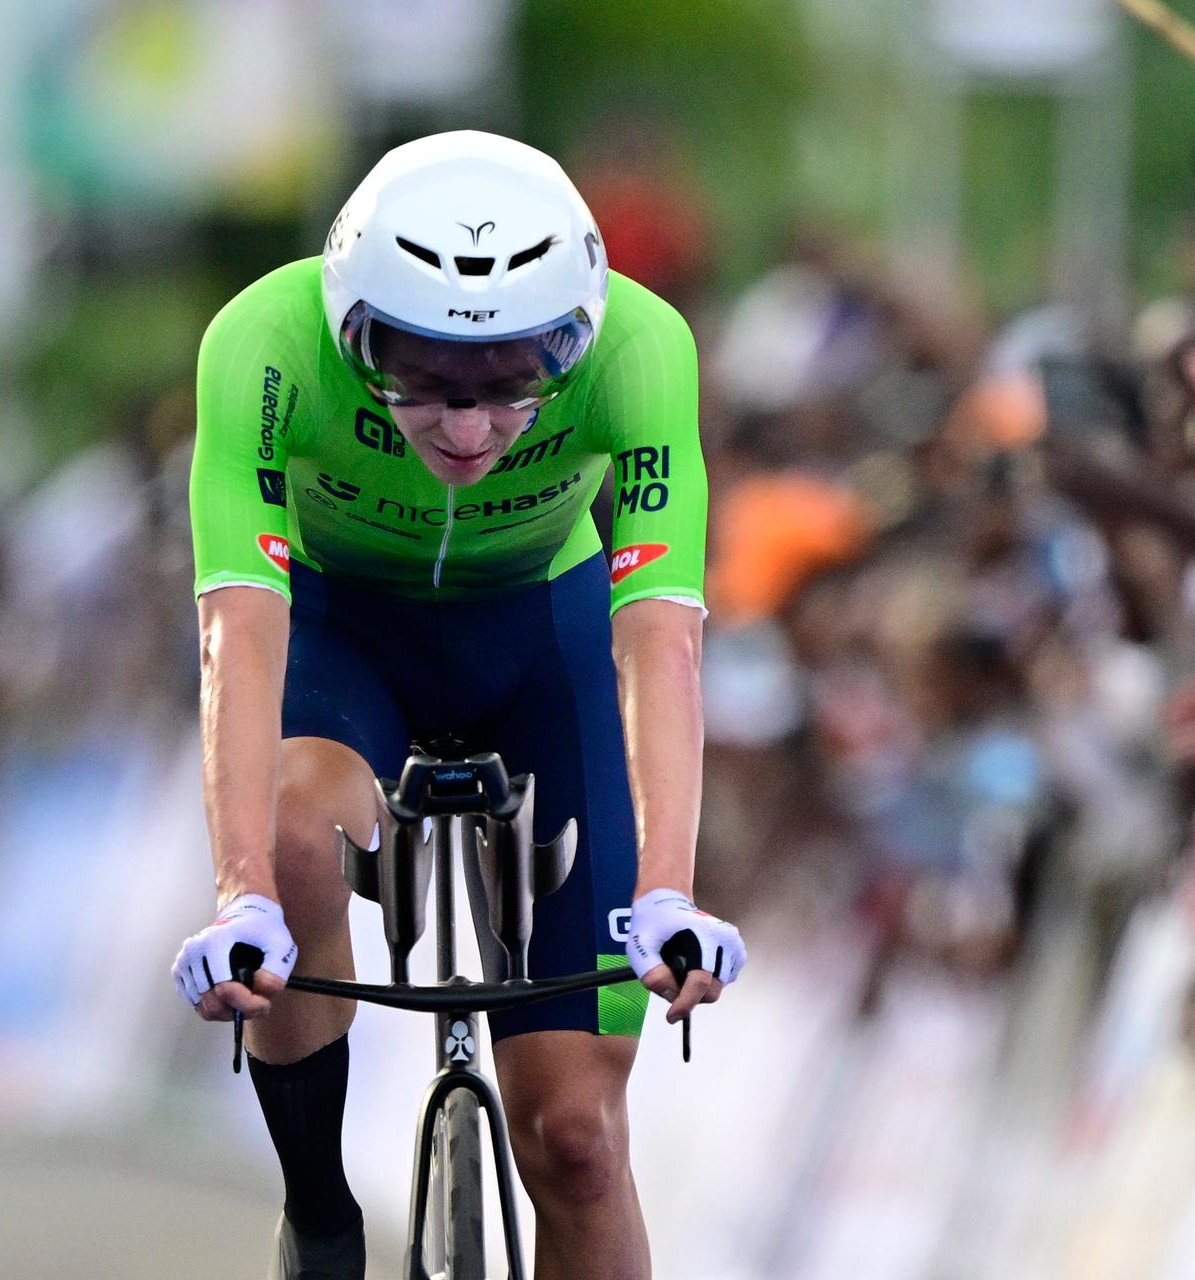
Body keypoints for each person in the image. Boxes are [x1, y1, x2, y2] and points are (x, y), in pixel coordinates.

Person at [168, 131, 747, 1279]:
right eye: (421, 380)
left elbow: (661, 637)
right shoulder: (264, 342)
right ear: (351, 331)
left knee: (578, 1140)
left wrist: (669, 888)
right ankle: (320, 1205)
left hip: (545, 641)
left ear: (575, 337)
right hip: (346, 637)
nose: (469, 429)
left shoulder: (642, 346)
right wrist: (241, 893)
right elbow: (240, 622)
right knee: (294, 840)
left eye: (513, 382)